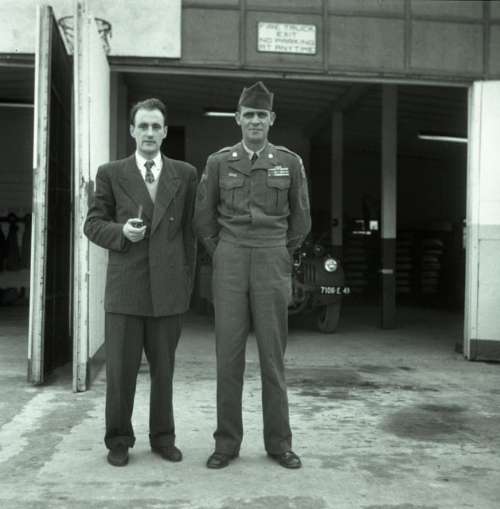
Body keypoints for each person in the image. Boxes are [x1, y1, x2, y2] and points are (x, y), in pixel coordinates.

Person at [194, 81, 311, 469]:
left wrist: (279, 252)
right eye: (249, 114)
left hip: (272, 257)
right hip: (229, 258)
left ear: (271, 119)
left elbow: (301, 219)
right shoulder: (219, 162)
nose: (255, 121)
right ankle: (226, 444)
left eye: (262, 115)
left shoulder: (289, 162)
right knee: (228, 356)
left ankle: (279, 443)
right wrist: (223, 250)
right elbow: (203, 217)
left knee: (272, 357)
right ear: (238, 118)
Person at [84, 98, 197, 467]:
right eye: (143, 126)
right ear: (132, 130)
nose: (149, 132)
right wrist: (121, 232)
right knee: (120, 373)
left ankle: (163, 438)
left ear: (164, 132)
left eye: (155, 126)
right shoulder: (110, 173)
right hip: (126, 290)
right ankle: (118, 440)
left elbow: (190, 234)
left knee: (164, 372)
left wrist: (185, 282)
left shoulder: (185, 174)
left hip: (168, 290)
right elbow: (92, 224)